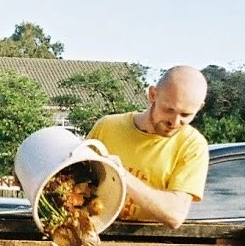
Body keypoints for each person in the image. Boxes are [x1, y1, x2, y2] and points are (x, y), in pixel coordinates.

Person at [86, 64, 209, 228]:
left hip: (151, 241)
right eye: (168, 110)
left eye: (185, 115)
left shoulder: (193, 145)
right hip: (95, 233)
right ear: (152, 95)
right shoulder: (107, 127)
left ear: (199, 108)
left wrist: (121, 175)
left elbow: (175, 214)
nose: (174, 122)